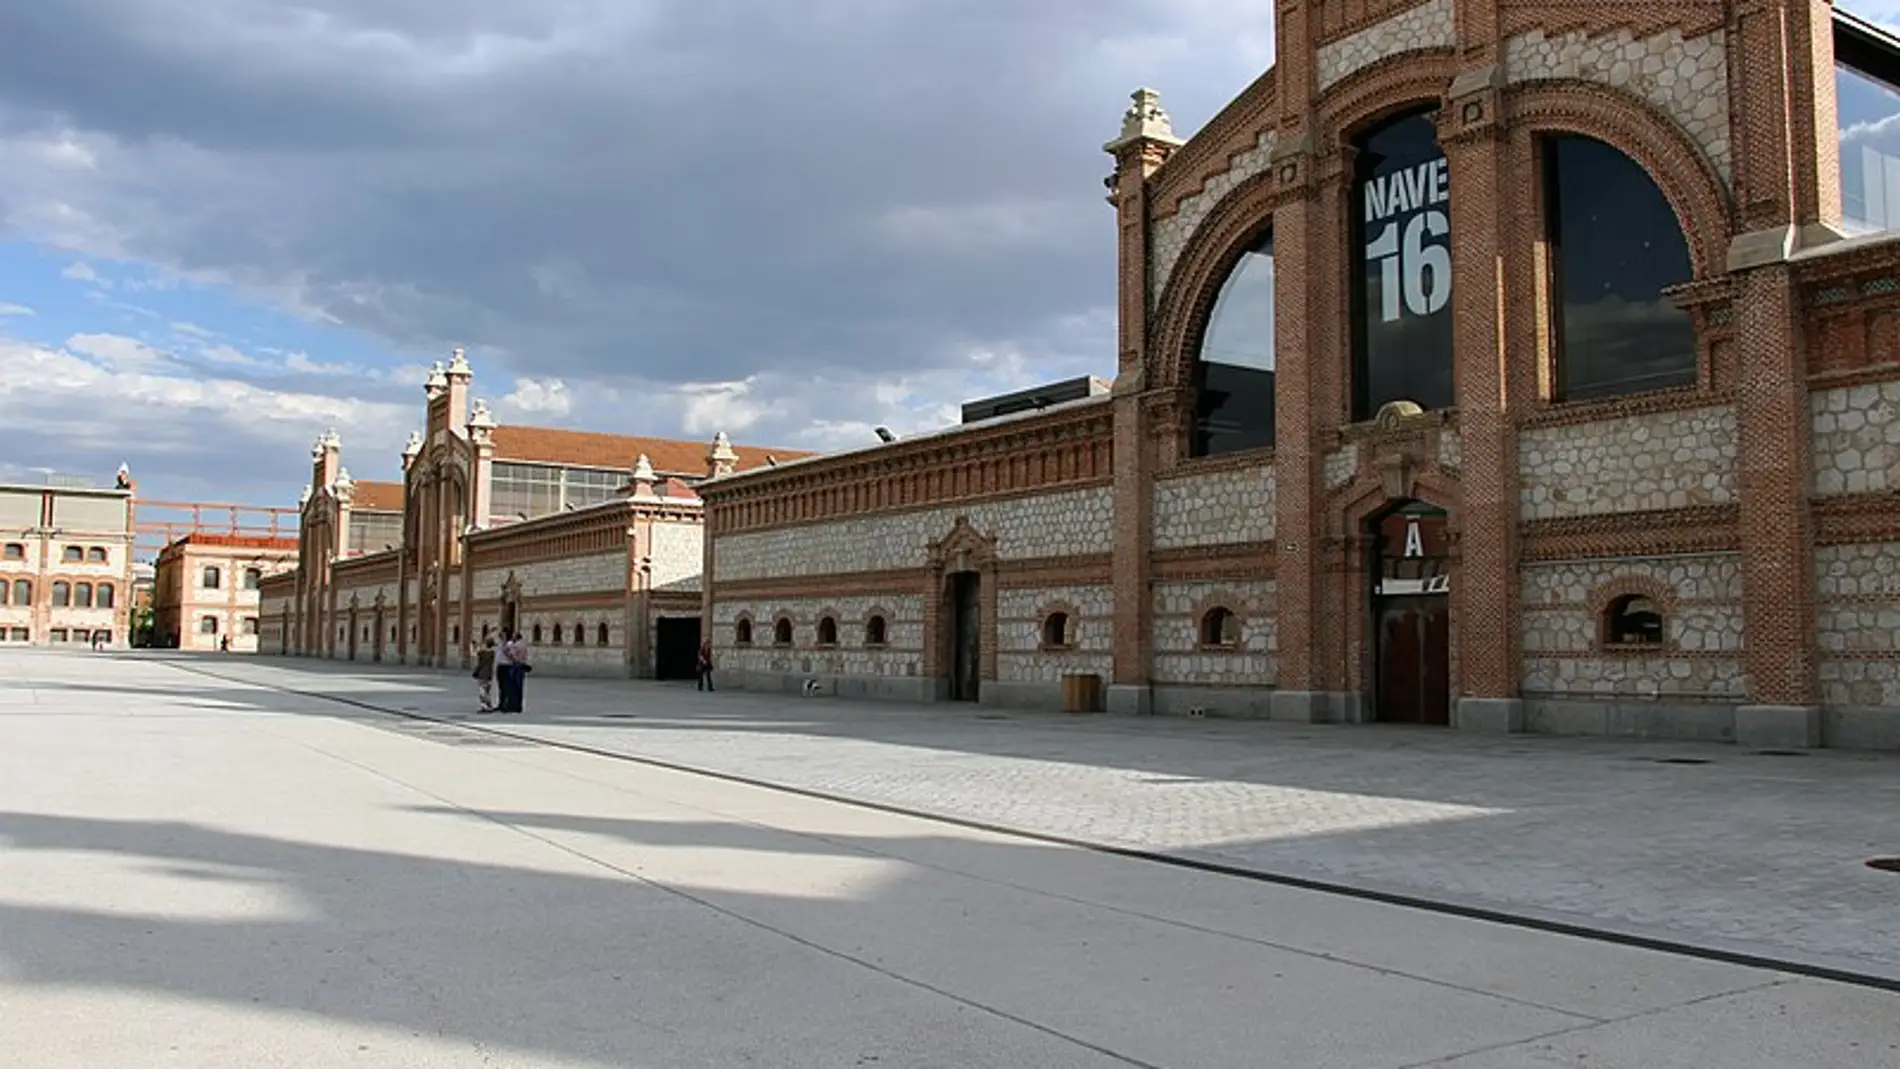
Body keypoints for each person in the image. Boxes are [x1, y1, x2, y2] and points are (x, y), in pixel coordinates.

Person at [472, 636, 497, 712]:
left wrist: (473, 646)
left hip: (482, 674)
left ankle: (484, 706)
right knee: (487, 690)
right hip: (489, 674)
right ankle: (490, 705)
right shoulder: (492, 653)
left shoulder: (482, 652)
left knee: (482, 691)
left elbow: (474, 653)